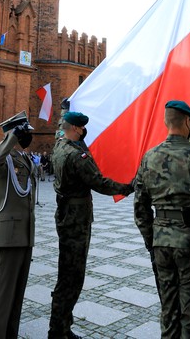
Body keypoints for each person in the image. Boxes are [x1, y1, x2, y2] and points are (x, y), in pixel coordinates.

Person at [133, 100, 190, 338]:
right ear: (188, 122)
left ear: (166, 122)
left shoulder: (149, 157)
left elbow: (140, 207)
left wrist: (153, 239)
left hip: (162, 243)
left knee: (169, 309)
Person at [48, 111, 134, 339]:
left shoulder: (59, 147)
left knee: (66, 271)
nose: (84, 131)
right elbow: (99, 183)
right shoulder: (77, 157)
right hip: (77, 219)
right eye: (82, 128)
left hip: (65, 214)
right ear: (77, 128)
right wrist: (127, 187)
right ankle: (58, 330)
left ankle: (61, 326)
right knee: (72, 275)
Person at [0, 112, 38, 339]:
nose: (28, 136)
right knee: (4, 293)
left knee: (17, 292)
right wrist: (10, 138)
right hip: (8, 233)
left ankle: (10, 334)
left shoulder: (24, 158)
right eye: (24, 132)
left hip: (24, 233)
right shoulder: (3, 158)